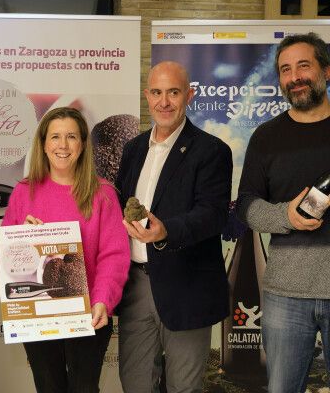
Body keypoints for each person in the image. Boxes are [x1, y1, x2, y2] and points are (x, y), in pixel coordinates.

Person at [116, 61, 233, 393]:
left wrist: (166, 231)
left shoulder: (212, 151)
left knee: (184, 387)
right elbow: (117, 205)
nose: (164, 102)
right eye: (156, 92)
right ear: (147, 96)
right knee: (135, 383)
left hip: (187, 285)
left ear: (189, 95)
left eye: (173, 92)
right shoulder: (133, 149)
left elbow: (212, 214)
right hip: (136, 285)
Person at [2, 107, 130, 393]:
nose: (63, 145)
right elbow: (5, 256)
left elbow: (114, 256)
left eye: (71, 136)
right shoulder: (24, 191)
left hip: (88, 313)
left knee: (84, 388)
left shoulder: (103, 193)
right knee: (48, 387)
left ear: (83, 144)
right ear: (44, 145)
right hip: (38, 313)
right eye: (55, 137)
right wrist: (21, 238)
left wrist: (102, 301)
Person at [236, 32, 330, 393]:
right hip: (285, 296)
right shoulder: (266, 137)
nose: (295, 77)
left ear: (325, 70)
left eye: (303, 66)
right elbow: (246, 205)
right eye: (285, 70)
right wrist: (285, 218)